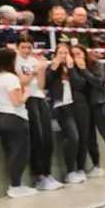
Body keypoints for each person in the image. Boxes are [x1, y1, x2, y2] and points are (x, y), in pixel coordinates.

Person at [67, 44, 105, 178]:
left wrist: (84, 69)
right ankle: (96, 165)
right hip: (85, 107)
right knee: (89, 138)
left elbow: (98, 83)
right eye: (73, 55)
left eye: (79, 54)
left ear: (84, 54)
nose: (76, 57)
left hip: (99, 103)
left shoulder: (96, 65)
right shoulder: (73, 69)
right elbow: (78, 85)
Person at [0, 48, 37, 197]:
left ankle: (15, 183)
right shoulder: (10, 78)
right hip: (14, 118)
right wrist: (26, 94)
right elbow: (17, 101)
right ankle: (16, 186)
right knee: (19, 153)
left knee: (10, 152)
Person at [15, 34, 61, 191]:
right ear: (17, 47)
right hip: (28, 100)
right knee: (37, 138)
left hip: (40, 98)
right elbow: (21, 83)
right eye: (23, 47)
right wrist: (35, 71)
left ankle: (48, 173)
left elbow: (41, 85)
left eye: (29, 47)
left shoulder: (35, 61)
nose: (26, 50)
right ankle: (39, 175)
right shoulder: (15, 61)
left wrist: (41, 71)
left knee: (48, 138)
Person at [42, 42, 87, 184]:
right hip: (62, 106)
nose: (63, 56)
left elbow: (80, 85)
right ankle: (70, 171)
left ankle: (80, 168)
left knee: (81, 138)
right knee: (73, 137)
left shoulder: (73, 67)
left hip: (77, 106)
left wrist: (72, 69)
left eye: (65, 53)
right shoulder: (52, 69)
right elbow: (46, 84)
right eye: (60, 53)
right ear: (55, 55)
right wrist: (54, 68)